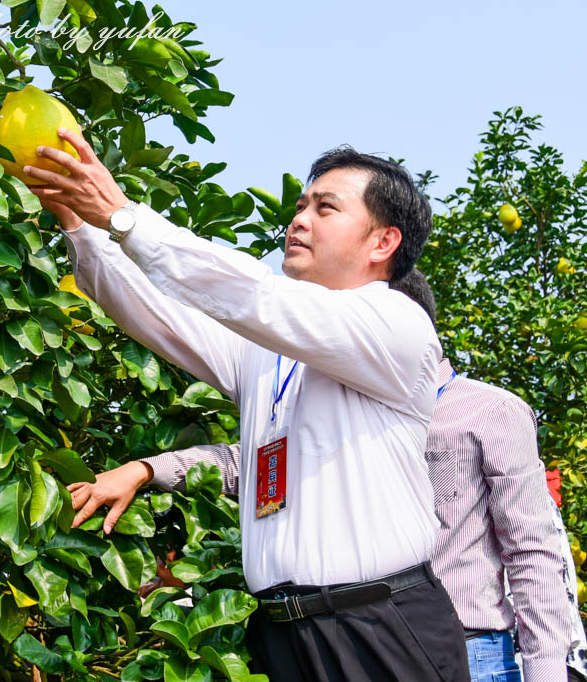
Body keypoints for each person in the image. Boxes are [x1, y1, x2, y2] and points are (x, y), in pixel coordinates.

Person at [26, 132, 469, 680]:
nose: (300, 220)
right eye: (301, 205)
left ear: (383, 242)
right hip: (284, 632)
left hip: (379, 626)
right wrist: (79, 225)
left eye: (326, 208)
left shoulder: (396, 327)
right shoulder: (267, 351)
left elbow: (256, 295)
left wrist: (123, 216)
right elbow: (157, 313)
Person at [114, 269, 576, 682]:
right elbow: (244, 460)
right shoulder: (328, 408)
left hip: (469, 649)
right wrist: (148, 467)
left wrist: (548, 672)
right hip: (350, 642)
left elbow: (532, 550)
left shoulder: (489, 412)